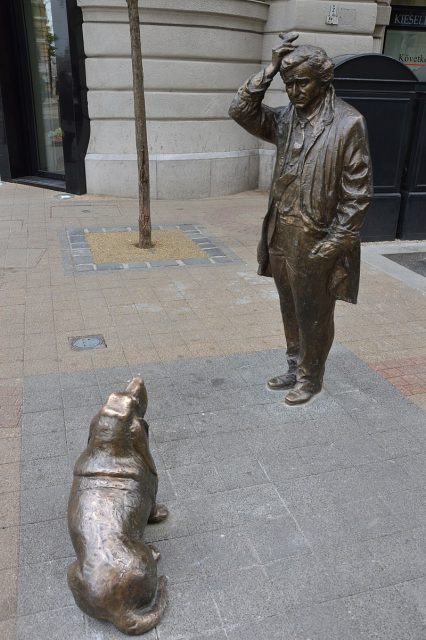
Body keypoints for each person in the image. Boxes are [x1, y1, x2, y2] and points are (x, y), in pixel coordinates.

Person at [229, 32, 373, 405]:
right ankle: (295, 364)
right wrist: (272, 67)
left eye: (301, 82)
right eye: (288, 83)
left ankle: (311, 377)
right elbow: (240, 110)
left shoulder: (348, 123)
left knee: (314, 314)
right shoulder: (284, 119)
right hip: (281, 232)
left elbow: (357, 194)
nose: (293, 90)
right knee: (289, 306)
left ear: (324, 81)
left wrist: (333, 244)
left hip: (317, 237)